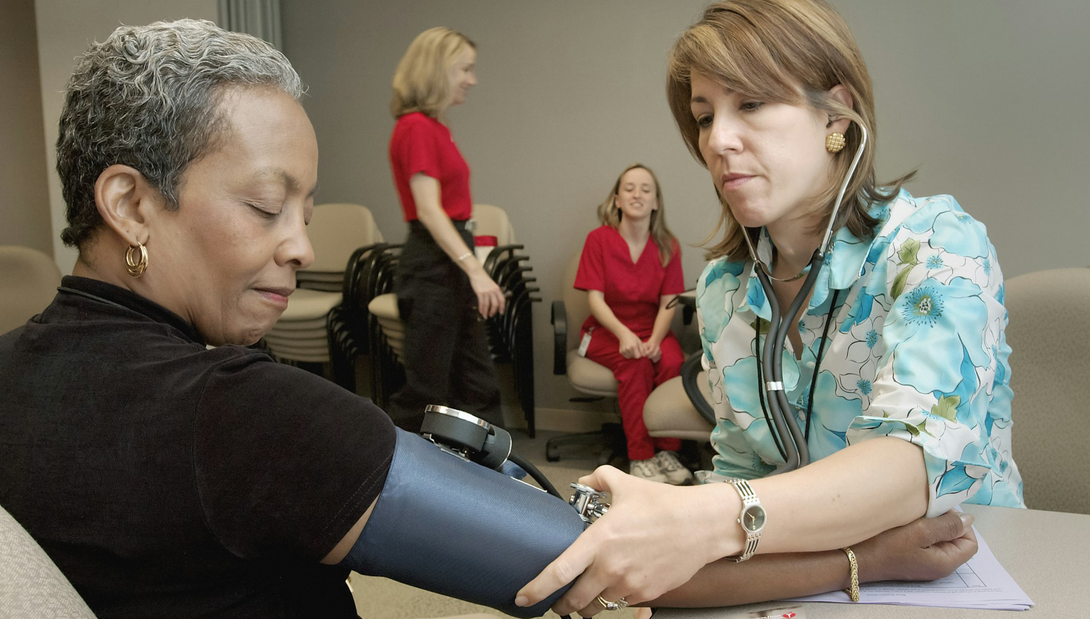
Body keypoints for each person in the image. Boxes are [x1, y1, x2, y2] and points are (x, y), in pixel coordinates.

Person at [0, 20, 589, 619]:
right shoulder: (244, 412)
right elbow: (587, 560)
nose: (302, 249)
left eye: (304, 215)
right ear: (129, 205)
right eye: (265, 207)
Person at [517, 0, 1019, 615]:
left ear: (837, 113)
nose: (718, 141)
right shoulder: (725, 291)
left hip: (968, 575)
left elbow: (915, 467)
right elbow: (737, 497)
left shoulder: (937, 245)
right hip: (808, 585)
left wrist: (699, 515)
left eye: (750, 103)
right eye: (704, 117)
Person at [386, 27, 505, 432]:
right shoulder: (416, 127)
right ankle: (384, 478)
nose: (472, 79)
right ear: (438, 69)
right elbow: (429, 211)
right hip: (433, 266)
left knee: (476, 383)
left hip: (449, 262)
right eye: (465, 69)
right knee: (427, 391)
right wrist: (476, 271)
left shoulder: (436, 127)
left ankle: (495, 478)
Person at [574, 164, 692, 484]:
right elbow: (595, 299)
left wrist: (656, 338)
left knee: (673, 361)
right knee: (635, 361)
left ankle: (667, 451)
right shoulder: (598, 240)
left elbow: (669, 299)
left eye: (645, 189)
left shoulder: (668, 245)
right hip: (605, 330)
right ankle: (640, 456)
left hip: (651, 327)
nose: (637, 194)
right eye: (629, 188)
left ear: (656, 202)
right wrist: (624, 334)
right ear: (617, 199)